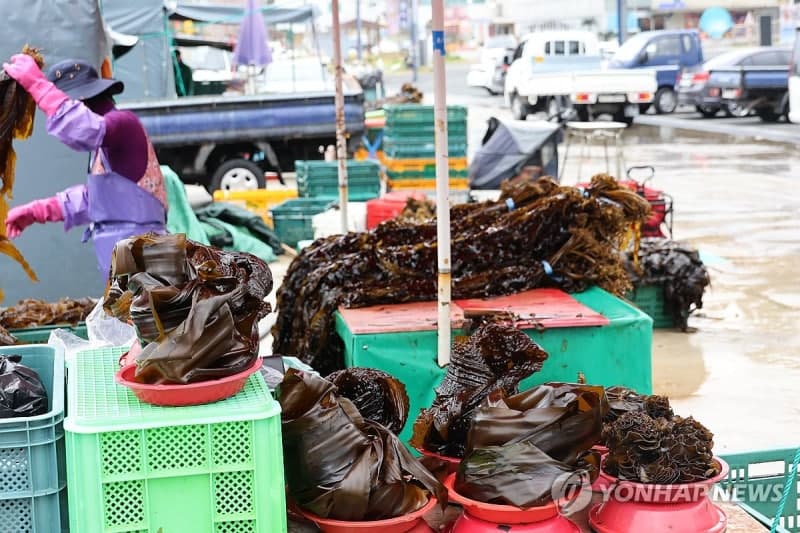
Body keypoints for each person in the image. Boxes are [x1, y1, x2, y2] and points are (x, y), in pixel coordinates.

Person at [2, 55, 168, 276]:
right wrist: (38, 211)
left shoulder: (123, 124)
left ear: (81, 102)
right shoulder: (104, 147)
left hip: (145, 263)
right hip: (124, 266)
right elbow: (97, 201)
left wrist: (37, 85)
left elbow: (82, 128)